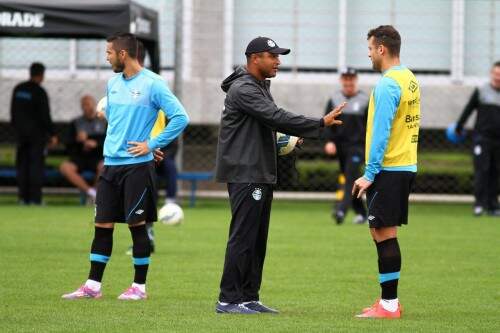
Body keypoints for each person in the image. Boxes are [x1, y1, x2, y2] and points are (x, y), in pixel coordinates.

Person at [215, 36, 344, 314]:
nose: (278, 61)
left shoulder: (259, 87)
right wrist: (319, 123)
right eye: (273, 56)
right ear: (255, 58)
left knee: (257, 238)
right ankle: (228, 299)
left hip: (258, 170)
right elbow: (277, 117)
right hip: (246, 172)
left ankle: (249, 297)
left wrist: (283, 142)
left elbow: (264, 126)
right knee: (243, 236)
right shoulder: (244, 89)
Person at [62, 32, 189, 300]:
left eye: (109, 52)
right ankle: (92, 286)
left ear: (123, 54)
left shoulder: (154, 83)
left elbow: (180, 117)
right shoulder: (113, 84)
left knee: (136, 226)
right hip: (110, 166)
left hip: (137, 168)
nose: (106, 57)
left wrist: (152, 145)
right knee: (102, 225)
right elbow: (117, 123)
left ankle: (139, 288)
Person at [352, 25, 420, 319]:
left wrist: (370, 173)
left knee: (383, 233)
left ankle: (389, 305)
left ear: (381, 48)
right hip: (404, 165)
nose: (368, 54)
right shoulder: (409, 78)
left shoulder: (388, 84)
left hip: (389, 168)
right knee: (380, 232)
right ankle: (387, 300)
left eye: (369, 48)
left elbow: (381, 133)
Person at [323, 67, 368, 224]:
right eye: (345, 78)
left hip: (358, 147)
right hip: (340, 147)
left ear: (356, 80)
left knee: (349, 177)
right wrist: (329, 141)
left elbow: (370, 126)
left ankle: (340, 211)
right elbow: (327, 122)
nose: (348, 81)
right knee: (352, 179)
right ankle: (362, 213)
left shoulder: (365, 100)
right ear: (341, 80)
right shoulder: (335, 99)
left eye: (351, 78)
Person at [455, 61, 500, 217]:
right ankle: (479, 204)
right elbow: (469, 108)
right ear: (491, 74)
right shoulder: (481, 91)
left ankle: (493, 206)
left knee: (496, 172)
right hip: (482, 138)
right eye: (495, 74)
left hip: (498, 141)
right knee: (482, 171)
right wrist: (459, 126)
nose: (497, 77)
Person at [10, 62, 57, 205]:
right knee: (36, 166)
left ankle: (22, 198)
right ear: (42, 75)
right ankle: (35, 199)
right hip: (37, 136)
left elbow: (13, 112)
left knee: (22, 165)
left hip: (20, 135)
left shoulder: (18, 89)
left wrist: (18, 129)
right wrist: (53, 134)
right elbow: (45, 115)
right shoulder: (39, 92)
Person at [59, 95, 106, 202]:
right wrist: (77, 140)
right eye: (84, 105)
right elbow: (67, 143)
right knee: (65, 167)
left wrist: (96, 144)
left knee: (105, 166)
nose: (87, 107)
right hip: (80, 157)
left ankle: (96, 194)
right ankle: (91, 192)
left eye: (89, 104)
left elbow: (110, 141)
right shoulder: (76, 123)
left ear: (94, 105)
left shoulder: (104, 122)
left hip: (97, 156)